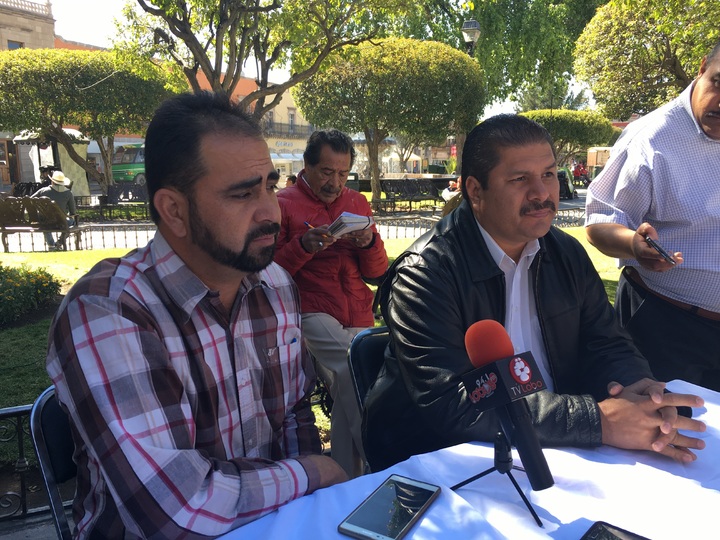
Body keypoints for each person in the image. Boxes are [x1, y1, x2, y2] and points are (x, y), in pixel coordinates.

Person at [46, 92, 347, 539]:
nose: (271, 211)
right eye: (243, 194)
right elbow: (175, 511)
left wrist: (302, 506)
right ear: (174, 210)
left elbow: (294, 411)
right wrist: (313, 474)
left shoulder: (276, 286)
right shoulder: (109, 312)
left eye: (269, 184)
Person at [363, 114, 706, 472]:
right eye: (519, 179)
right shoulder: (425, 274)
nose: (542, 193)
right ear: (475, 191)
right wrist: (598, 421)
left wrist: (640, 392)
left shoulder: (565, 254)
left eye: (548, 175)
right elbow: (454, 403)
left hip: (561, 450)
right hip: (445, 461)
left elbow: (606, 342)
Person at [585, 41, 720, 391]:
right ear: (703, 66)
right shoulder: (652, 137)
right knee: (663, 438)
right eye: (719, 83)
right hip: (665, 324)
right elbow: (599, 221)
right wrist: (632, 243)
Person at [275, 129, 388, 478]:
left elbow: (378, 273)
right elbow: (268, 275)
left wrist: (368, 242)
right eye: (326, 172)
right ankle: (380, 460)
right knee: (357, 368)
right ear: (306, 166)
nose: (335, 182)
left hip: (357, 310)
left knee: (347, 389)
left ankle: (343, 476)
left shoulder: (356, 203)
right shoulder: (282, 204)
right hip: (310, 309)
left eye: (343, 173)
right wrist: (303, 246)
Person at [30, 170, 76, 251]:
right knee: (72, 222)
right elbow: (73, 212)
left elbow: (30, 200)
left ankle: (51, 245)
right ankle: (60, 242)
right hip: (61, 221)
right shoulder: (68, 193)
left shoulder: (43, 191)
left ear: (52, 181)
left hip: (45, 221)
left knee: (45, 222)